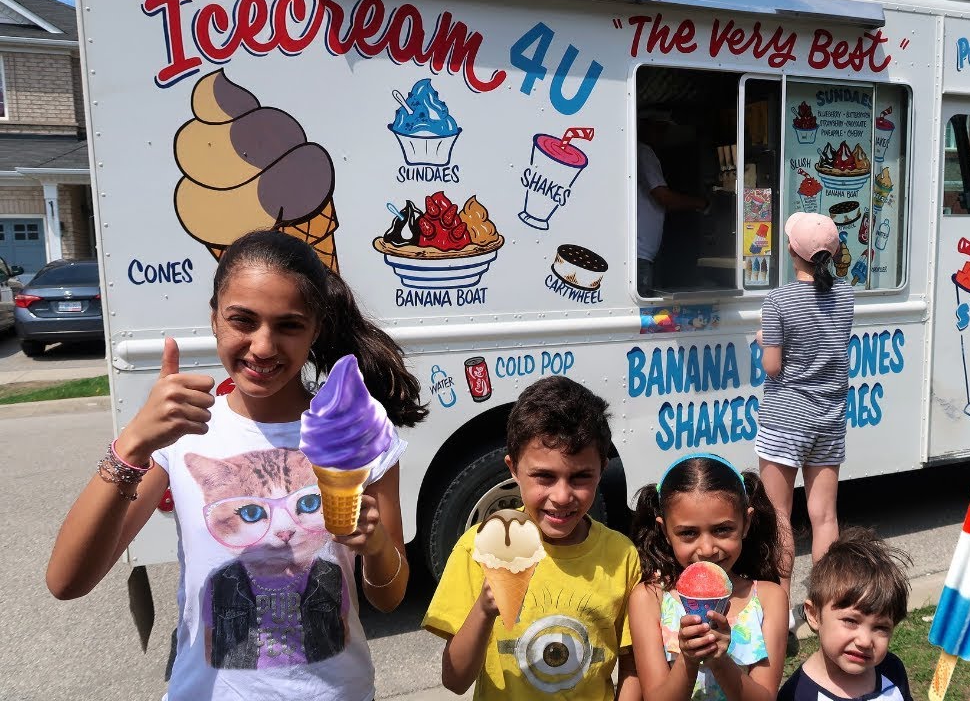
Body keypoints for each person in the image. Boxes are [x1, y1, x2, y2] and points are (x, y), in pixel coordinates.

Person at [46, 230, 427, 700]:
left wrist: (378, 545)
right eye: (242, 320)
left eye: (289, 325)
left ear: (317, 329)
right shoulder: (180, 435)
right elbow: (67, 581)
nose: (263, 346)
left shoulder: (359, 433)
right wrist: (133, 445)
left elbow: (388, 598)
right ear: (214, 319)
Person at [425, 376, 642, 700]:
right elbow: (454, 680)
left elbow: (631, 667)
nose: (562, 495)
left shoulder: (621, 556)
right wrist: (485, 609)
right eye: (544, 476)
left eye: (581, 477)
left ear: (602, 468)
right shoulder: (479, 548)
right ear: (513, 469)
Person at [755, 212, 856, 609]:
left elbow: (773, 366)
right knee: (825, 517)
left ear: (792, 251)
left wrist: (765, 339)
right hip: (829, 418)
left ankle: (778, 609)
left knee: (778, 517)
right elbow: (824, 337)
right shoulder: (845, 294)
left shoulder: (778, 299)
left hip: (786, 417)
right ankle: (824, 608)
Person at [628, 454, 790, 701]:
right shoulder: (650, 599)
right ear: (665, 531)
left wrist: (720, 660)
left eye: (722, 529)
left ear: (746, 523)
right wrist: (688, 660)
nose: (706, 549)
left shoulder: (769, 598)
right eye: (688, 533)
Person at [778, 528, 913, 701]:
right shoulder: (797, 695)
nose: (864, 641)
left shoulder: (892, 669)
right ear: (813, 614)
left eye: (880, 627)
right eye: (850, 621)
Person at [637, 107, 709, 297]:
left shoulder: (641, 152)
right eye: (660, 128)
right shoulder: (643, 152)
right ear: (645, 127)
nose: (663, 135)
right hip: (640, 253)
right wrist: (702, 204)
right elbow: (664, 197)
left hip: (644, 252)